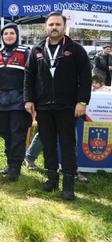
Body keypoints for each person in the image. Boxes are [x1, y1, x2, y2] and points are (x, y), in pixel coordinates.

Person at [24, 11, 92, 200]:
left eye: (57, 24)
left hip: (67, 106)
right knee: (48, 144)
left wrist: (82, 102)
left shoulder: (76, 49)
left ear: (64, 27)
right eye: (51, 24)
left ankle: (68, 185)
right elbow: (29, 76)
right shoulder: (37, 49)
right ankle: (51, 179)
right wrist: (28, 99)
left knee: (68, 145)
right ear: (46, 27)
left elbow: (86, 77)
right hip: (44, 106)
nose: (54, 27)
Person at [0, 23, 32, 181]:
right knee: (5, 133)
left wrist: (29, 100)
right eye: (5, 34)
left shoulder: (25, 53)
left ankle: (15, 168)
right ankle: (9, 162)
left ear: (17, 35)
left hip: (19, 101)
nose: (8, 36)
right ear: (2, 36)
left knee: (17, 134)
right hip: (1, 101)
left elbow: (32, 78)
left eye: (12, 33)